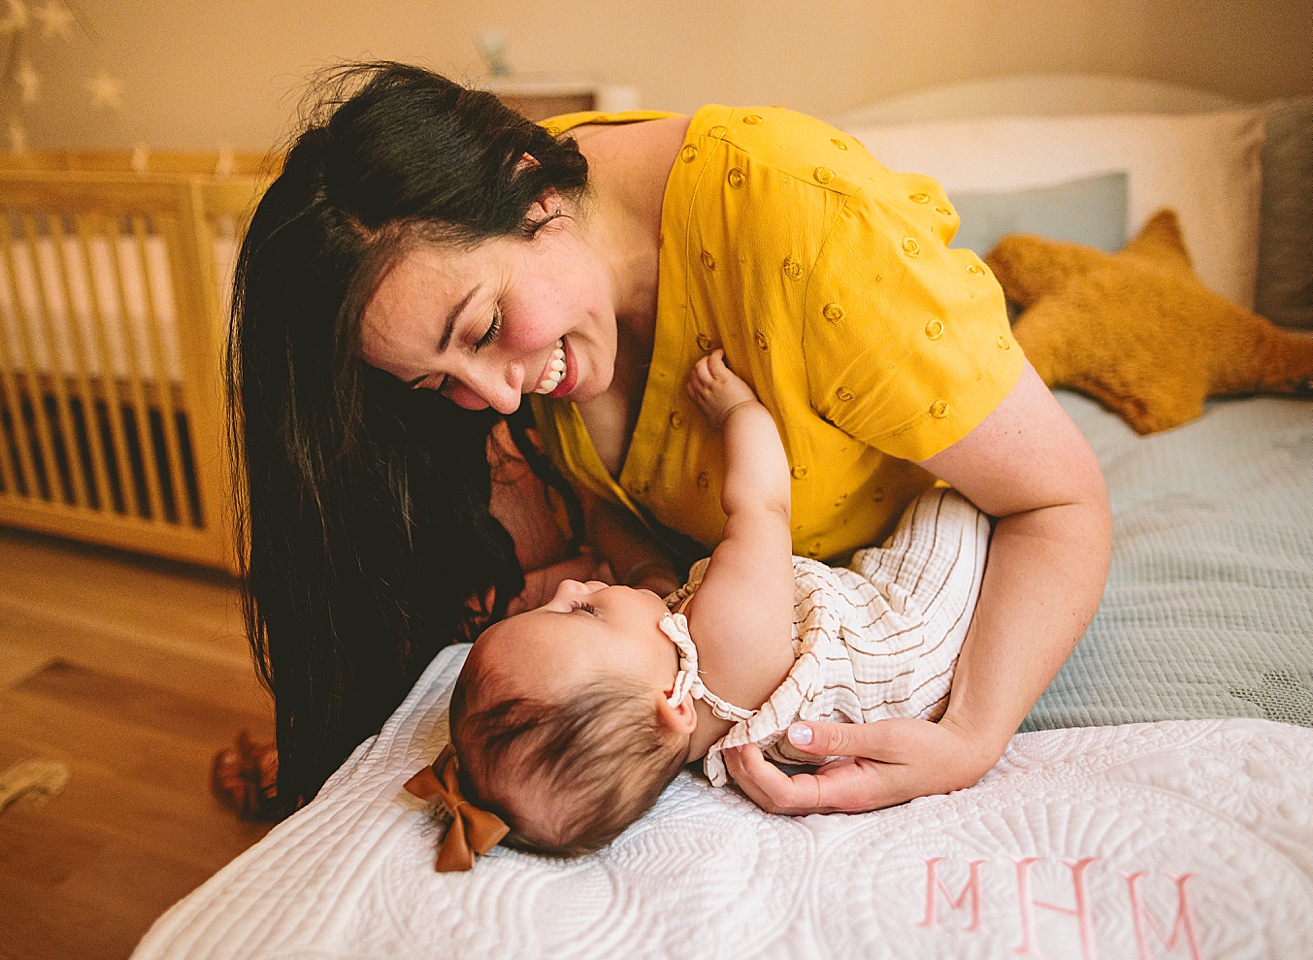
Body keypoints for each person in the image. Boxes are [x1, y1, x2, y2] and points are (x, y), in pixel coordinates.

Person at [229, 60, 1111, 818]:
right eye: (439, 381)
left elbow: (1061, 499)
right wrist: (642, 578)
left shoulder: (806, 227)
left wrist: (971, 736)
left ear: (537, 190)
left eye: (488, 323)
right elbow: (608, 516)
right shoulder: (508, 275)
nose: (498, 396)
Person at [413, 352, 990, 864]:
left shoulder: (667, 707)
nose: (572, 589)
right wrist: (738, 412)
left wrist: (634, 574)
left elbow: (651, 590)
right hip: (912, 630)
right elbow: (761, 508)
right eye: (585, 613)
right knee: (955, 497)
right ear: (673, 706)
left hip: (864, 636)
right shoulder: (726, 640)